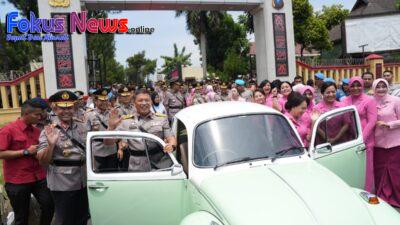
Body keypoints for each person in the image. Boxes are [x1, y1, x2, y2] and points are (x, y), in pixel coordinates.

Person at [36, 91, 89, 225]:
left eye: (69, 107)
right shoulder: (48, 130)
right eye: (62, 108)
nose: (66, 111)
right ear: (55, 108)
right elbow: (42, 161)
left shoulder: (82, 126)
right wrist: (51, 145)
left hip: (83, 180)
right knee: (65, 220)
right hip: (62, 183)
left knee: (82, 218)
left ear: (74, 108)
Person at [0, 100, 54, 225]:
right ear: (26, 113)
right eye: (37, 115)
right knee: (22, 216)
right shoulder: (8, 130)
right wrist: (25, 152)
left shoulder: (37, 132)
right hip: (17, 180)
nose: (40, 117)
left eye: (41, 114)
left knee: (49, 206)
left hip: (38, 177)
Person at [106, 89, 177, 171]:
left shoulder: (161, 118)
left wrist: (171, 146)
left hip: (159, 163)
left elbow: (171, 137)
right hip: (137, 166)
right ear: (134, 103)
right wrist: (111, 128)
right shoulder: (126, 121)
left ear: (151, 101)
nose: (144, 103)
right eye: (140, 100)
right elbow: (108, 142)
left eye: (147, 100)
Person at [343, 77, 377, 193]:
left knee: (367, 169)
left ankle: (367, 192)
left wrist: (361, 138)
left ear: (362, 86)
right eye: (353, 85)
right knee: (354, 167)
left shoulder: (369, 100)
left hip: (365, 140)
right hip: (350, 138)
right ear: (349, 87)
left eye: (358, 85)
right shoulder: (346, 100)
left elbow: (372, 121)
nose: (355, 88)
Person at [372, 78, 400, 207]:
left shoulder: (395, 101)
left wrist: (390, 125)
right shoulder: (371, 102)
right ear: (374, 88)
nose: (381, 89)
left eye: (384, 86)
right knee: (380, 171)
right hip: (378, 144)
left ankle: (397, 197)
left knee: (395, 172)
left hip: (395, 143)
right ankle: (382, 197)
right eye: (378, 86)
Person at [86, 88, 119, 171]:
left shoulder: (113, 113)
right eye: (101, 100)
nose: (104, 103)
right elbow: (85, 136)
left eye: (106, 100)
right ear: (96, 101)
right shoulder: (89, 114)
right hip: (97, 151)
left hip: (112, 149)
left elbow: (118, 130)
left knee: (112, 175)